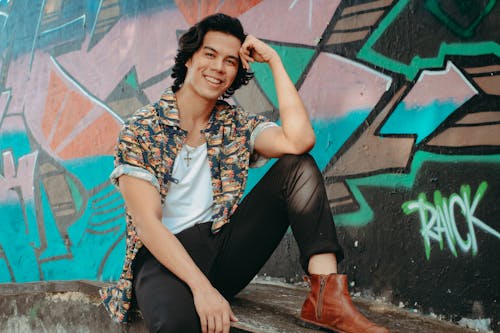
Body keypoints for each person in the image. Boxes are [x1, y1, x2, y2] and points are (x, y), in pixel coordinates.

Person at [100, 13, 389, 333]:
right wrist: (202, 289)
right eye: (209, 54)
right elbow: (148, 225)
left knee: (298, 167)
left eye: (230, 61)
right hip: (161, 261)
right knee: (175, 325)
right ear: (189, 60)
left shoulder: (235, 124)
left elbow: (299, 140)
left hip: (221, 250)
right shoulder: (142, 129)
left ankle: (326, 301)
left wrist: (275, 63)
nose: (218, 67)